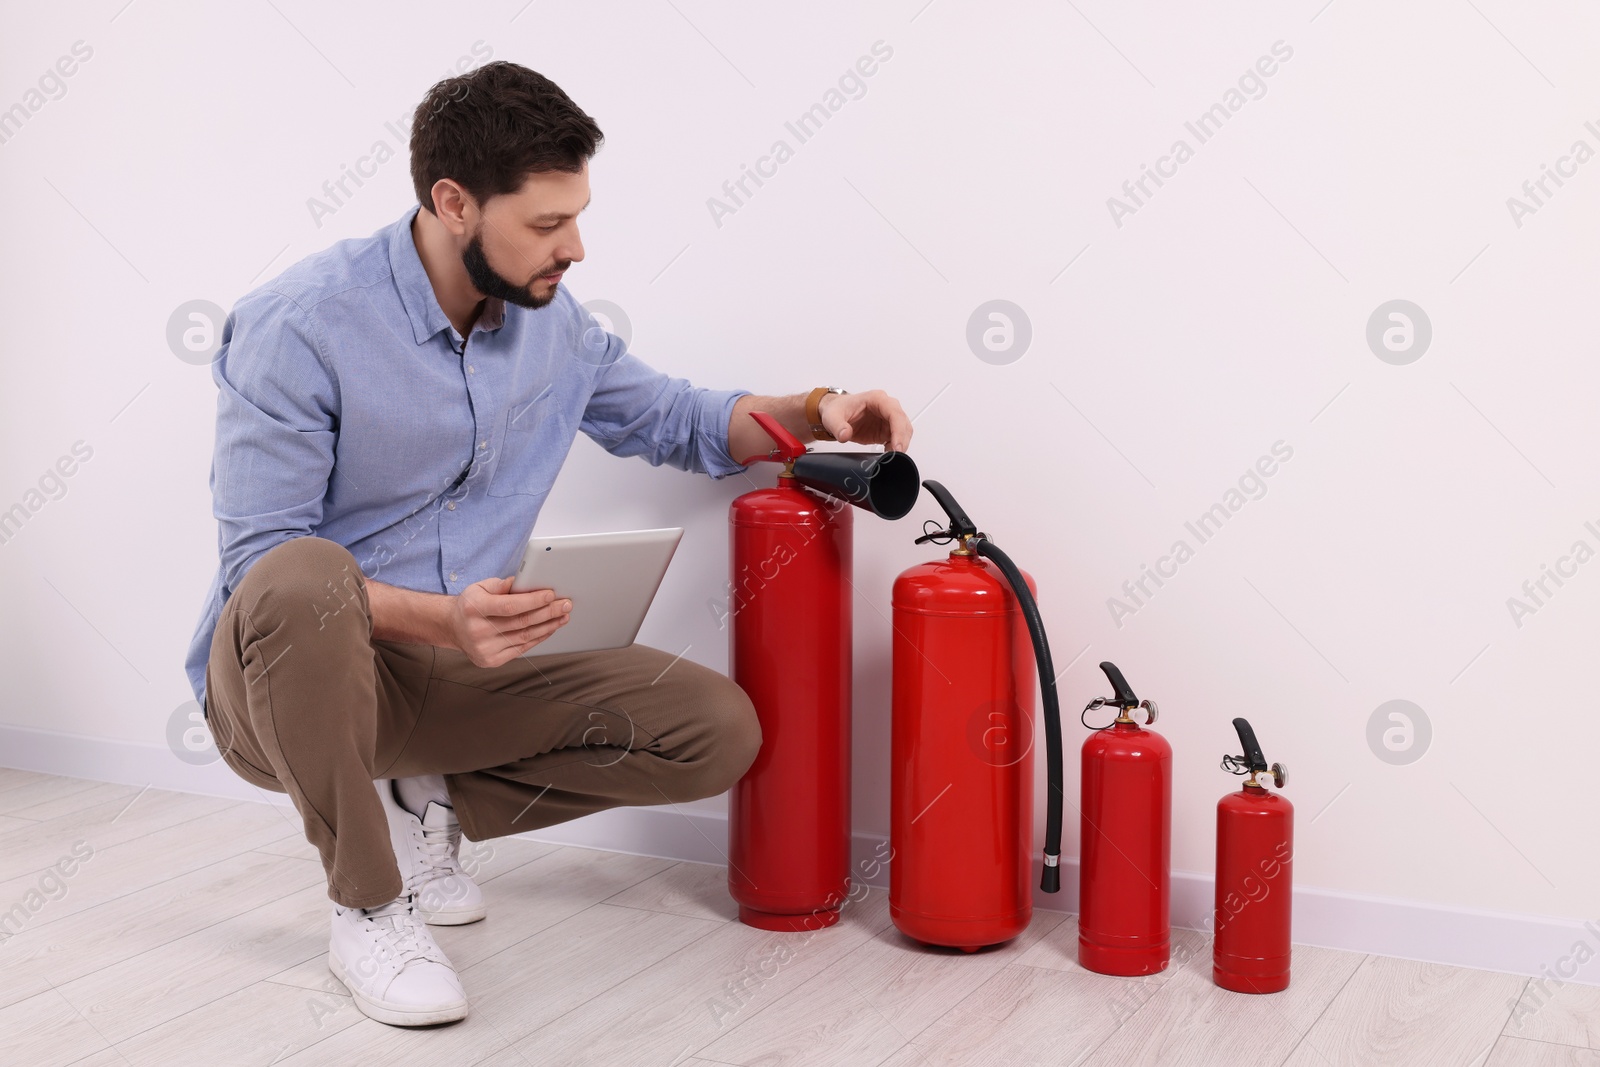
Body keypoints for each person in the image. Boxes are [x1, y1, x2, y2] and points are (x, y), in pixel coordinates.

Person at [182, 60, 914, 1027]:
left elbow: (679, 419)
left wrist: (820, 407)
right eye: (543, 223)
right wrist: (443, 619)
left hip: (449, 672)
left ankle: (424, 805)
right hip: (290, 686)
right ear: (453, 203)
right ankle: (368, 903)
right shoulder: (300, 325)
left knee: (713, 728)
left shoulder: (552, 326)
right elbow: (258, 576)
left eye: (576, 214)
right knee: (302, 572)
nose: (573, 246)